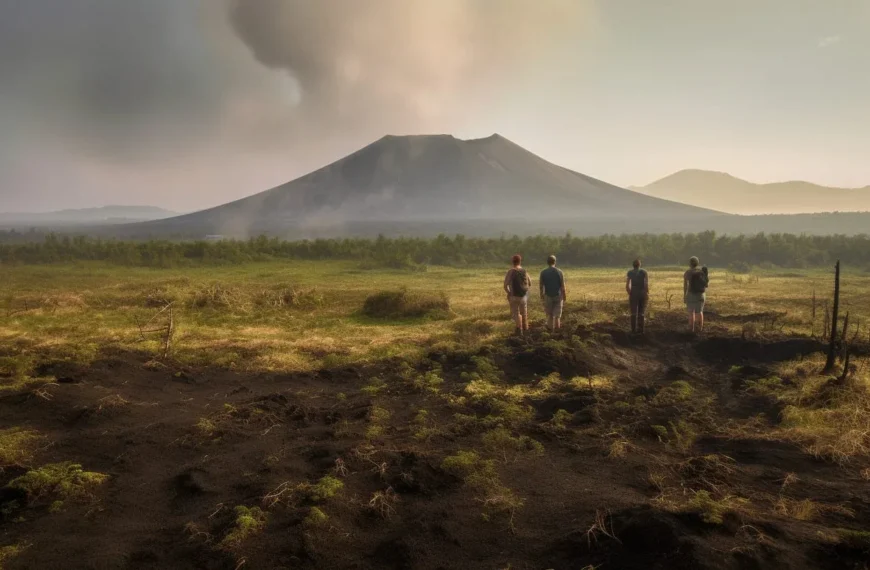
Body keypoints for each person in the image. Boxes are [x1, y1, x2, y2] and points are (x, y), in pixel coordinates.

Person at [504, 254, 531, 336]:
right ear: (520, 261)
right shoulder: (524, 271)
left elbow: (505, 285)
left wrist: (509, 293)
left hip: (514, 296)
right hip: (523, 296)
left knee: (516, 313)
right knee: (524, 313)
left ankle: (519, 329)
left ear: (513, 262)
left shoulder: (511, 271)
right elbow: (530, 283)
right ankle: (526, 329)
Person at [539, 254, 567, 331]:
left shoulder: (543, 272)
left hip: (548, 295)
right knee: (557, 316)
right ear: (555, 262)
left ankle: (550, 331)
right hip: (558, 295)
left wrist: (541, 295)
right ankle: (557, 331)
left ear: (547, 262)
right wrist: (564, 295)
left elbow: (541, 285)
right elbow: (562, 285)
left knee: (550, 315)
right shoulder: (559, 272)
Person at [684, 256, 709, 333]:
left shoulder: (688, 272)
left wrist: (684, 295)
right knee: (700, 312)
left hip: (691, 294)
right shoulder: (701, 272)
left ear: (690, 264)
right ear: (697, 263)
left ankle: (691, 329)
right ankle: (700, 329)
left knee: (691, 312)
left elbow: (685, 286)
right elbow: (706, 283)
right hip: (701, 294)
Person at [626, 258, 649, 334]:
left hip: (634, 291)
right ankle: (641, 330)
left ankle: (633, 330)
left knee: (633, 312)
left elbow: (627, 285)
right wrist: (646, 293)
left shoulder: (630, 272)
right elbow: (646, 284)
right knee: (641, 312)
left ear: (633, 265)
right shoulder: (644, 272)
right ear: (640, 264)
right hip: (642, 291)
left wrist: (630, 293)